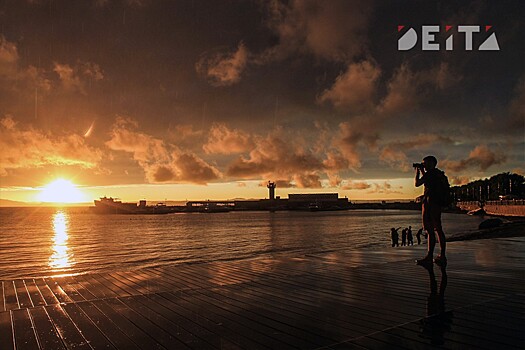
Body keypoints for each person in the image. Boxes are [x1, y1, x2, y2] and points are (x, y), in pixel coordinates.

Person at [415, 155, 448, 266]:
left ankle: (429, 256)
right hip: (437, 204)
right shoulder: (438, 174)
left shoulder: (430, 174)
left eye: (425, 163)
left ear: (431, 163)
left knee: (430, 230)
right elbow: (428, 182)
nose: (424, 165)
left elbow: (417, 184)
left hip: (430, 204)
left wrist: (417, 172)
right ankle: (442, 255)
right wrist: (422, 171)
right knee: (438, 229)